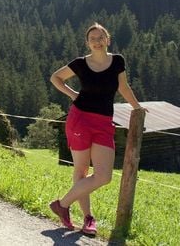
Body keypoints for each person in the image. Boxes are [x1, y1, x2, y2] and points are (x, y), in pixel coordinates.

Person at [48, 22, 144, 235]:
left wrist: (138, 108)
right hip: (79, 119)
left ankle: (61, 205)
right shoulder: (81, 64)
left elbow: (123, 87)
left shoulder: (117, 61)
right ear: (87, 43)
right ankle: (88, 219)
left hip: (103, 122)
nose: (97, 42)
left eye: (101, 38)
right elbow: (56, 78)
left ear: (107, 40)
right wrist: (73, 95)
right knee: (81, 171)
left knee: (104, 176)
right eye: (93, 39)